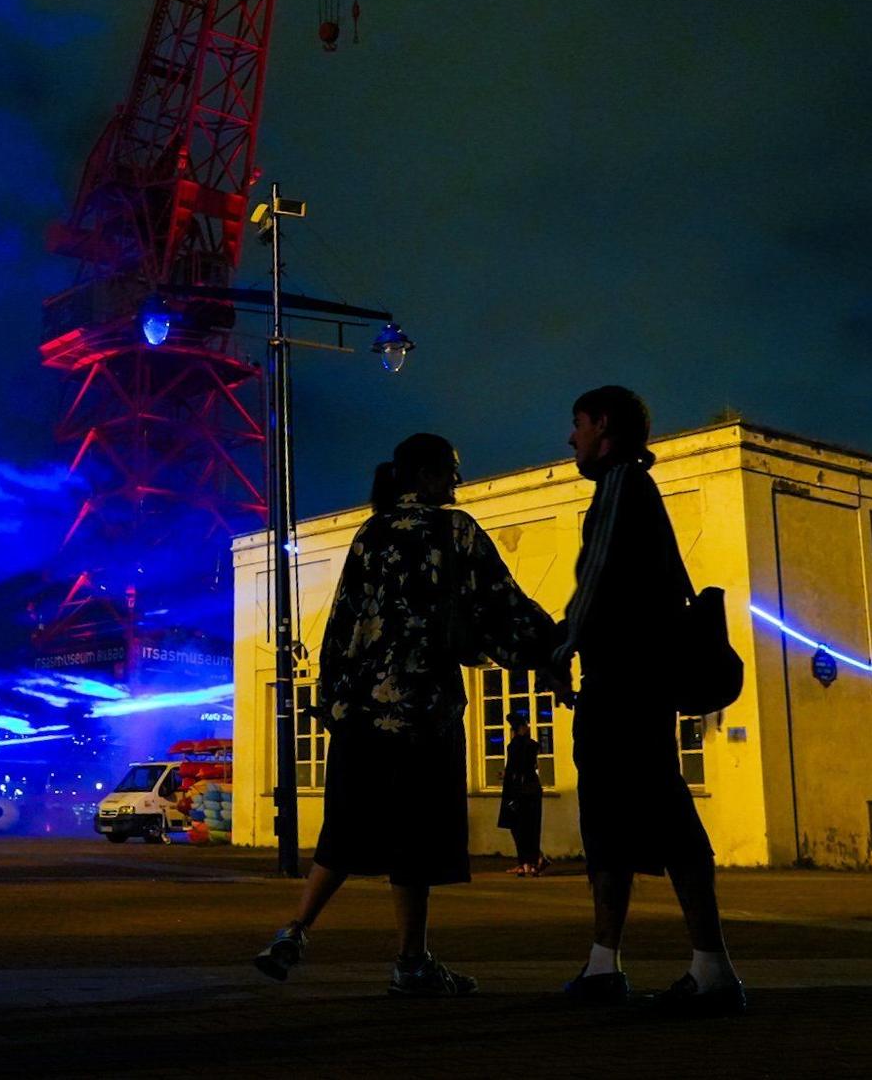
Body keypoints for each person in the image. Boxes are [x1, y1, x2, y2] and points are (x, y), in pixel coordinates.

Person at [254, 433, 557, 995]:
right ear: (424, 473)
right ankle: (412, 960)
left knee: (345, 829)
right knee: (415, 841)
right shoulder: (455, 530)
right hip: (424, 714)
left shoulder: (371, 534)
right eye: (450, 470)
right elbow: (501, 604)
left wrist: (333, 700)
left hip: (363, 715)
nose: (458, 481)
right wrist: (552, 650)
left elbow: (342, 621)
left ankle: (294, 930)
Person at [553, 386, 745, 1016]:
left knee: (633, 817)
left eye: (578, 425)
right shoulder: (640, 489)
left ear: (602, 425)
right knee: (639, 816)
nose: (571, 437)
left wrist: (561, 650)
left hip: (622, 684)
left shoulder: (618, 486)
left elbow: (596, 575)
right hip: (646, 683)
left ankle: (701, 971)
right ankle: (616, 965)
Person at [497, 706, 547, 876]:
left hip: (517, 791)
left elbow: (513, 768)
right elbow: (530, 765)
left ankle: (525, 862)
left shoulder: (514, 746)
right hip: (533, 789)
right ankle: (532, 862)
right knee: (532, 827)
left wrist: (506, 774)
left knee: (518, 828)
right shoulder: (533, 745)